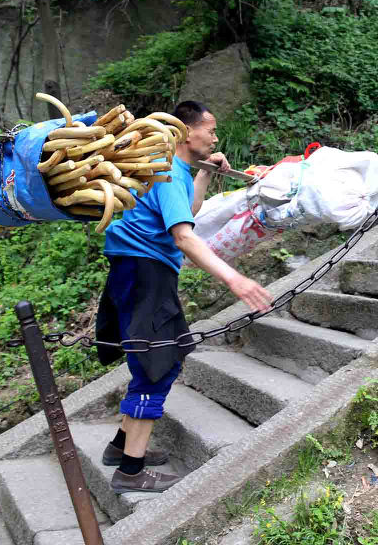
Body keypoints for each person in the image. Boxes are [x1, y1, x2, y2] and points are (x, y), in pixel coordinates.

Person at [99, 100, 273, 494]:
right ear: (185, 131)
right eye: (209, 130)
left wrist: (206, 174)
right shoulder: (167, 172)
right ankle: (130, 469)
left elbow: (187, 213)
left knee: (164, 353)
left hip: (135, 271)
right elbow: (183, 235)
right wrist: (235, 280)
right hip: (147, 274)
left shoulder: (166, 168)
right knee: (157, 364)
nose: (214, 136)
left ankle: (119, 446)